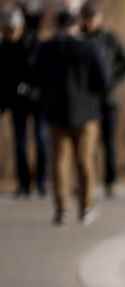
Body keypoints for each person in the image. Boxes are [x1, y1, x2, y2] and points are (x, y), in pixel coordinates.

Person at [33, 8, 109, 225]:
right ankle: (85, 207)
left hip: (56, 113)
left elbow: (36, 77)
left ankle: (61, 209)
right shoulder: (88, 47)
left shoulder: (46, 48)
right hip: (86, 113)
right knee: (84, 161)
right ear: (77, 25)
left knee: (59, 162)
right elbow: (103, 80)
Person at [80, 0, 125, 199]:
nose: (90, 21)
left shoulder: (110, 39)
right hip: (85, 101)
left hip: (108, 99)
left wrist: (112, 81)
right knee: (86, 146)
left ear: (99, 18)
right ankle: (85, 183)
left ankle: (110, 181)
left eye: (93, 17)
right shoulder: (79, 40)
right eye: (87, 18)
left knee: (108, 143)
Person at [0, 4, 47, 198]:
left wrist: (34, 89)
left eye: (12, 29)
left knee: (40, 140)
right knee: (19, 143)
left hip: (38, 102)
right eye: (6, 30)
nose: (9, 33)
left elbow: (44, 72)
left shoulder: (34, 42)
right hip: (17, 102)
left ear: (20, 27)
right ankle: (23, 183)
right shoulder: (3, 48)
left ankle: (41, 182)